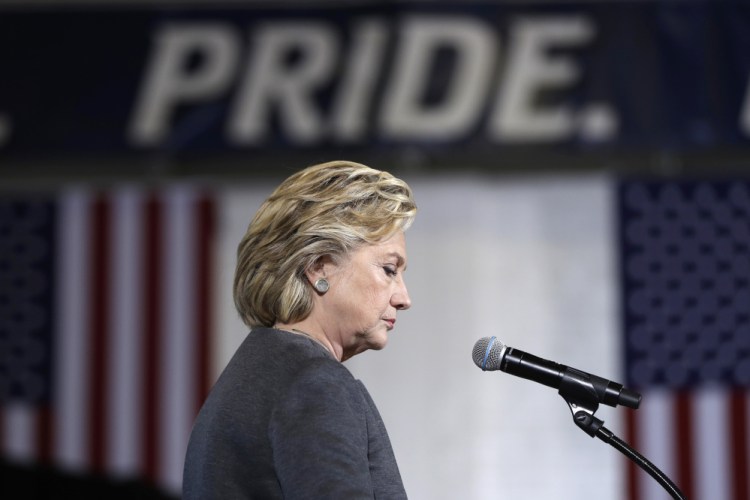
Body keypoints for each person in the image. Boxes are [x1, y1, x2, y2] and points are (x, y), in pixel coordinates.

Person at [183, 160, 417, 499]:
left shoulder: (255, 375)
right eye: (389, 269)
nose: (404, 297)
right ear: (319, 266)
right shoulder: (314, 387)